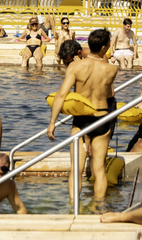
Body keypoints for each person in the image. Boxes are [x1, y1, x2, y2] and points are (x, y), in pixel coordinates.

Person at [48, 28, 118, 203]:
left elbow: (62, 94)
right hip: (102, 117)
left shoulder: (74, 66)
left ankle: (73, 206)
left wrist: (52, 122)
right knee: (99, 168)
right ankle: (99, 207)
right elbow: (110, 96)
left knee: (76, 169)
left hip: (81, 119)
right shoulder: (111, 69)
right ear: (103, 47)